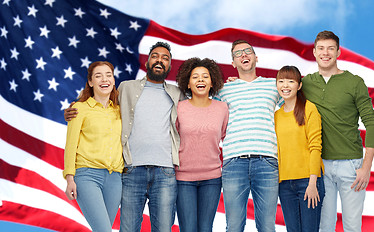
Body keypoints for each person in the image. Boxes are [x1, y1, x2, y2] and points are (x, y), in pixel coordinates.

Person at [65, 42, 183, 232]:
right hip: (129, 170)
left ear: (170, 65)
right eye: (155, 56)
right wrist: (72, 110)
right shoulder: (127, 88)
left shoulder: (177, 94)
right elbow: (98, 98)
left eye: (165, 58)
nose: (159, 60)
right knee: (122, 228)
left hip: (159, 172)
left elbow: (200, 103)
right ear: (147, 61)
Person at [302, 31, 374, 232]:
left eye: (330, 48)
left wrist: (366, 167)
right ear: (314, 52)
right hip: (320, 167)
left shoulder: (354, 82)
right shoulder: (306, 83)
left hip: (351, 167)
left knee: (352, 227)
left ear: (338, 52)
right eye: (321, 48)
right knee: (323, 226)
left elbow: (371, 124)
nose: (325, 53)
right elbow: (282, 90)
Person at [215, 40, 282, 232]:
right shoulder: (223, 90)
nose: (243, 55)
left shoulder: (274, 85)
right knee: (234, 226)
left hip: (267, 161)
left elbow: (294, 99)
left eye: (248, 51)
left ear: (256, 57)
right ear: (233, 63)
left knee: (267, 226)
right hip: (234, 162)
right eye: (238, 54)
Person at [63, 61, 124, 232]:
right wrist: (69, 178)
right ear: (90, 82)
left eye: (108, 75)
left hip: (115, 179)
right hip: (87, 176)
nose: (104, 79)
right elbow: (71, 145)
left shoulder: (120, 110)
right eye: (98, 76)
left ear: (113, 80)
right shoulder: (79, 109)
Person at [174, 57, 229, 232]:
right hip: (183, 179)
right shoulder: (178, 108)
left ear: (212, 82)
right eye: (195, 77)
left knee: (205, 228)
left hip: (212, 179)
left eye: (205, 76)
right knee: (188, 228)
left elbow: (224, 135)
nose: (200, 80)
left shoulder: (222, 108)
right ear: (188, 84)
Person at [274, 65, 324, 232]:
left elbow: (316, 147)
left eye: (290, 81)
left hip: (308, 181)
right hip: (285, 185)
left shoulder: (309, 108)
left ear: (299, 85)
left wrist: (312, 182)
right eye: (281, 81)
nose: (285, 85)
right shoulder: (276, 116)